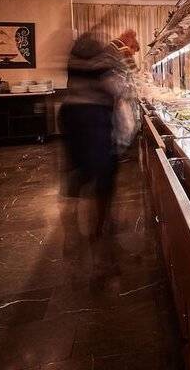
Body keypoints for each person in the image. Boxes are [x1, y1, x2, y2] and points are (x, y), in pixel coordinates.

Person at [59, 27, 139, 273]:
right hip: (94, 119)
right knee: (103, 182)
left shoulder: (75, 55)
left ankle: (71, 235)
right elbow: (116, 88)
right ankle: (98, 244)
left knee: (74, 177)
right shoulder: (107, 54)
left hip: (70, 115)